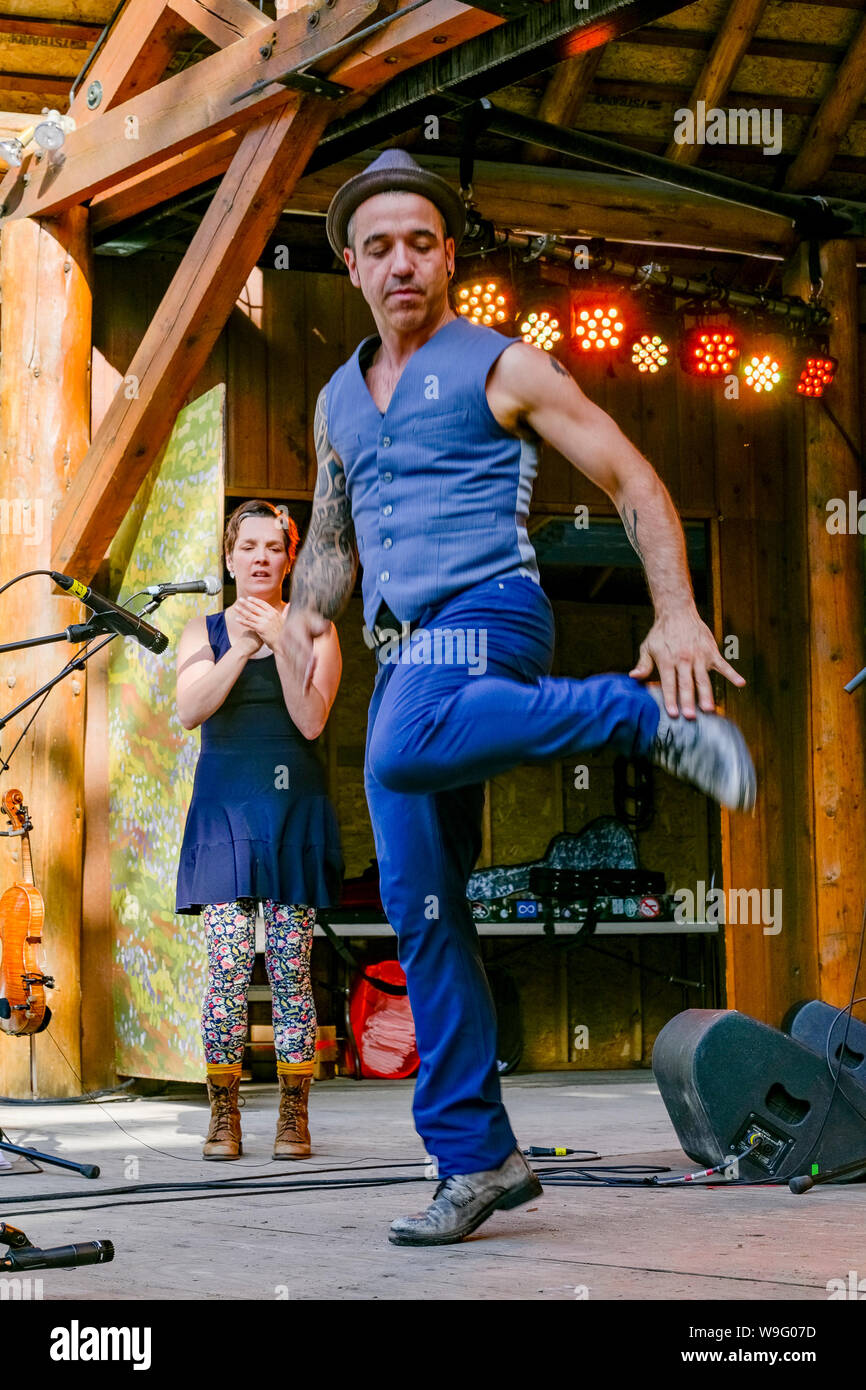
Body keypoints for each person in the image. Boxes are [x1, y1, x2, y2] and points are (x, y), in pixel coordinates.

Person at [278, 149, 756, 1245]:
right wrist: (307, 610)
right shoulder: (338, 400)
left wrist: (673, 615)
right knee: (425, 911)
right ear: (349, 265)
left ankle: (648, 716)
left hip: (491, 615)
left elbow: (633, 477)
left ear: (446, 256)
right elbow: (335, 541)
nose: (402, 263)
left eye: (422, 243)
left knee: (397, 752)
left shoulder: (500, 364)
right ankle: (476, 1157)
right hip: (404, 658)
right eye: (379, 247)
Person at [175, 499, 343, 1162]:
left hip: (289, 812)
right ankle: (224, 1112)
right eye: (249, 547)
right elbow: (190, 709)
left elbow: (311, 721)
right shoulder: (203, 629)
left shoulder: (316, 631)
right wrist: (241, 649)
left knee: (292, 971)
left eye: (274, 547)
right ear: (229, 556)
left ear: (289, 558)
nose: (261, 558)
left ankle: (293, 1114)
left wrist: (278, 641)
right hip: (223, 812)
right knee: (225, 967)